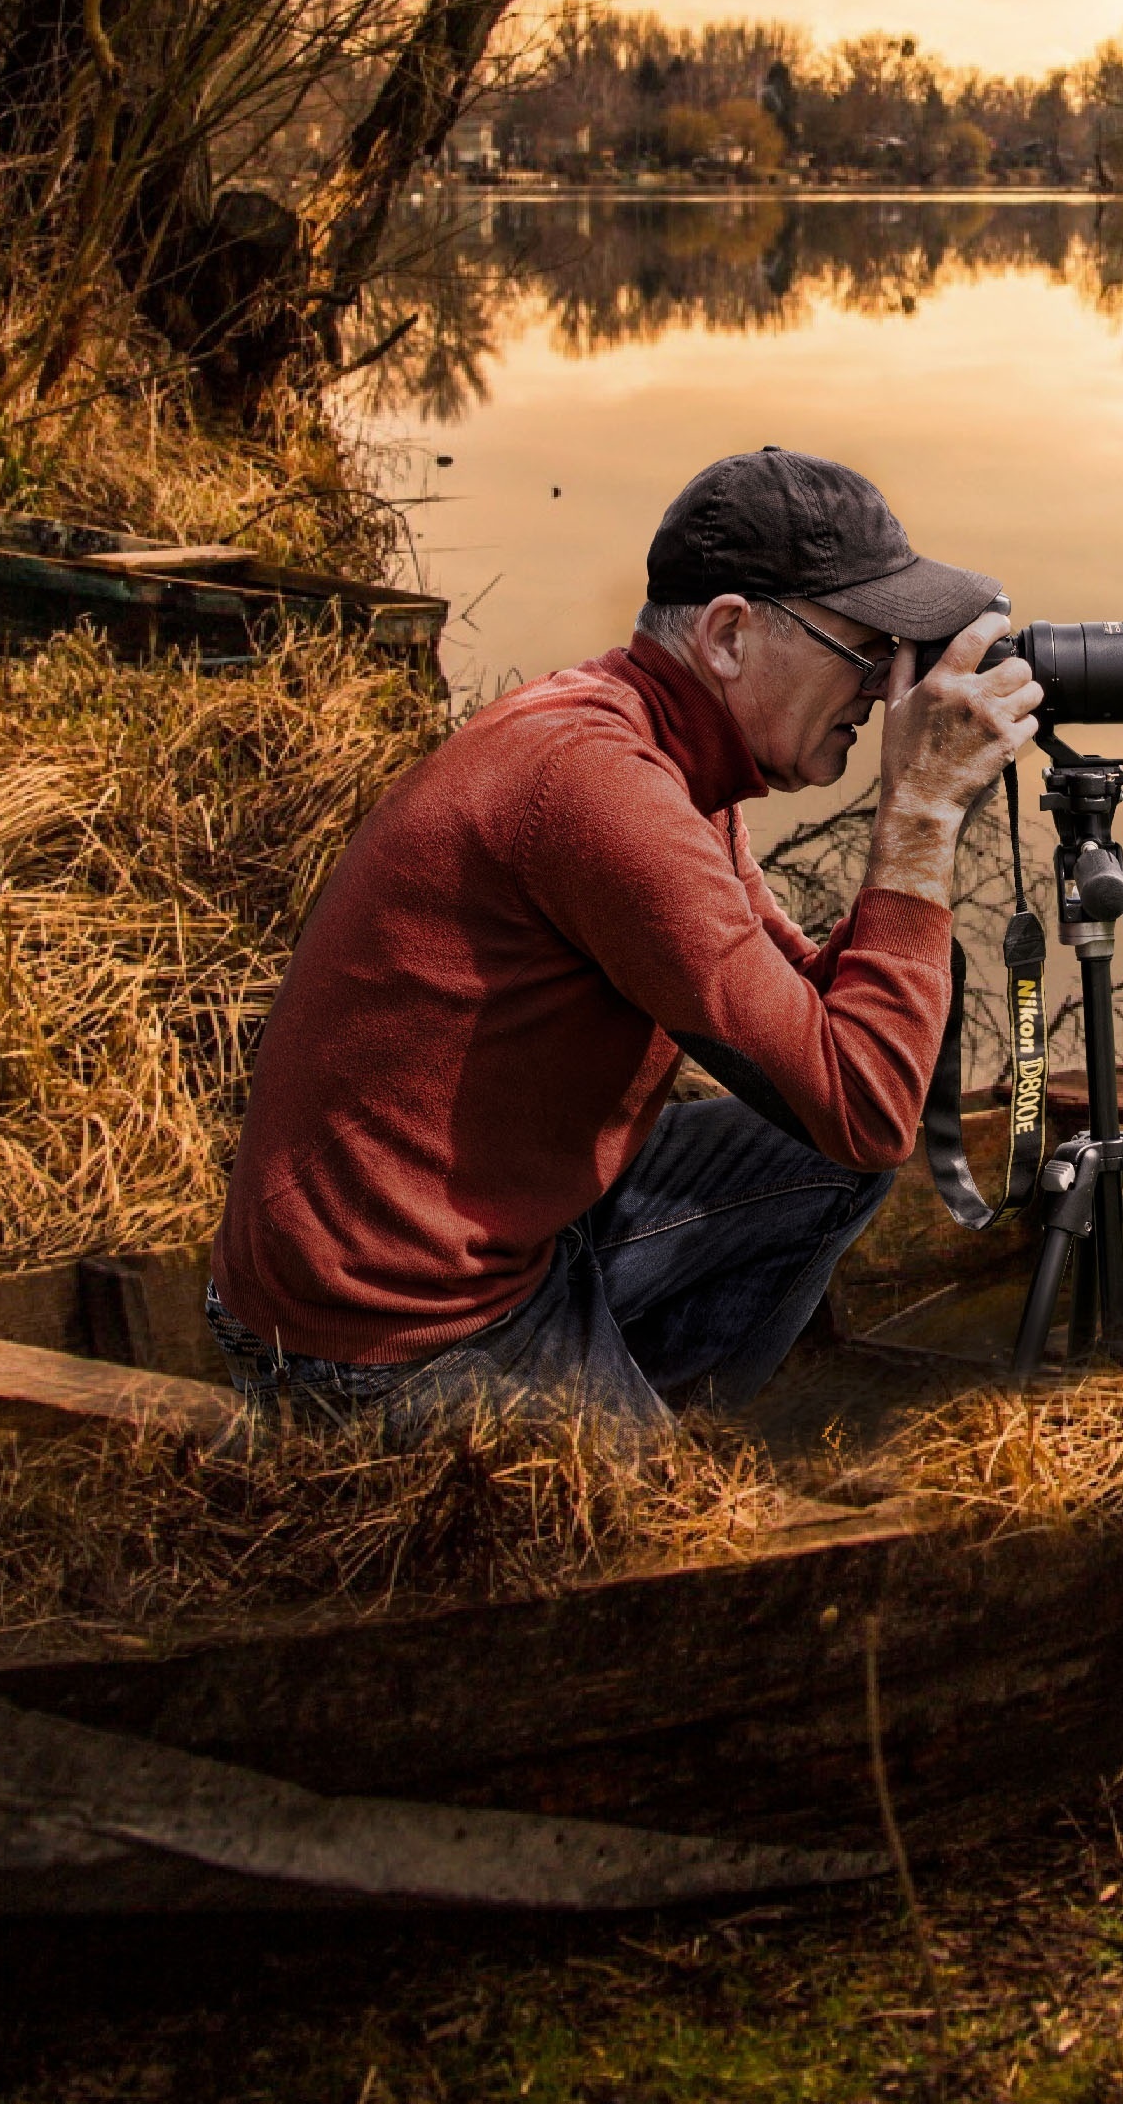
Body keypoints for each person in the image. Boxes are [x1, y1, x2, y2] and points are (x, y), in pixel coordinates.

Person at [203, 448, 1042, 1427]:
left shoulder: (658, 755)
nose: (884, 692)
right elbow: (867, 1103)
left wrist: (919, 826)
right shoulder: (605, 792)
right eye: (869, 653)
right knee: (682, 1541)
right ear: (729, 635)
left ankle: (652, 1414)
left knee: (831, 1165)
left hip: (497, 1238)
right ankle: (644, 1464)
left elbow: (835, 1073)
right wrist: (920, 822)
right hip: (384, 1339)